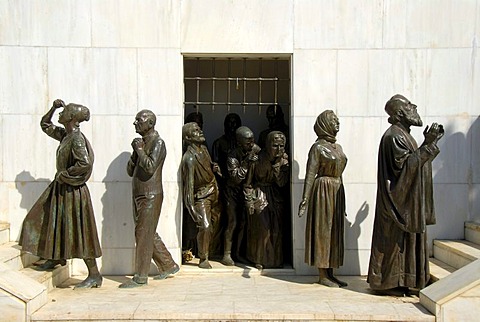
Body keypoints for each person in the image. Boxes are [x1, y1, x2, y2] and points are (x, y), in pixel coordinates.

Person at [19, 99, 102, 289]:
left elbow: (85, 164)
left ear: (71, 117)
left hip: (73, 191)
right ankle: (56, 256)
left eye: (64, 112)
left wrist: (65, 174)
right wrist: (53, 107)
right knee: (51, 222)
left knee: (81, 231)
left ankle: (94, 275)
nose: (60, 114)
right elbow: (45, 125)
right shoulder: (66, 134)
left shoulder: (77, 139)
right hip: (62, 189)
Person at [367, 94, 444, 294]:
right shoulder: (393, 136)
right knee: (394, 245)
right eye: (410, 105)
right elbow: (405, 170)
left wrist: (428, 144)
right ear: (400, 113)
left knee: (405, 244)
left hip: (409, 202)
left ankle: (408, 280)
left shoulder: (404, 134)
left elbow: (415, 164)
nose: (415, 107)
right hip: (397, 206)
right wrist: (427, 146)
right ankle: (388, 282)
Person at [119, 110, 179, 288]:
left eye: (139, 120)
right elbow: (130, 171)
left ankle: (140, 277)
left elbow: (150, 167)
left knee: (143, 234)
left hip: (150, 194)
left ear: (150, 123)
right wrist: (135, 152)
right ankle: (168, 265)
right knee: (146, 232)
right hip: (139, 193)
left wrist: (139, 150)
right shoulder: (142, 143)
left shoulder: (158, 142)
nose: (135, 123)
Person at [298, 110, 348, 287]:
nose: (337, 123)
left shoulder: (338, 148)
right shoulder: (317, 148)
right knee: (323, 231)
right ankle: (322, 275)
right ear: (324, 123)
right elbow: (310, 173)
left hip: (336, 190)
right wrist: (305, 198)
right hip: (323, 191)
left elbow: (341, 174)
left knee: (334, 232)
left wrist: (344, 201)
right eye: (334, 120)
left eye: (338, 120)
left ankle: (331, 272)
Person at [246, 131, 289, 269]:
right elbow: (248, 183)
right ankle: (258, 258)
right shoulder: (257, 159)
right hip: (259, 194)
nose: (279, 149)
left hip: (276, 196)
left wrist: (277, 165)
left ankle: (275, 260)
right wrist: (249, 200)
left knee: (276, 229)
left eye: (282, 146)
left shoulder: (284, 161)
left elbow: (282, 183)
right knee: (263, 228)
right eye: (275, 145)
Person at [182, 122, 221, 269]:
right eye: (196, 131)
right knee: (204, 226)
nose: (200, 132)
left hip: (214, 191)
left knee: (216, 224)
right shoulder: (189, 159)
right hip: (201, 195)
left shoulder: (204, 149)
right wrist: (192, 210)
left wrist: (214, 167)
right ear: (188, 137)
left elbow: (208, 167)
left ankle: (213, 251)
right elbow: (189, 188)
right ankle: (203, 258)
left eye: (199, 129)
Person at [222, 126, 259, 266]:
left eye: (252, 140)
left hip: (247, 191)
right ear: (239, 143)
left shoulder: (256, 149)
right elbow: (236, 177)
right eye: (248, 142)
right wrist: (246, 163)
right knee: (233, 222)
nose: (251, 144)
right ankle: (227, 254)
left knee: (244, 223)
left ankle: (239, 253)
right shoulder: (232, 156)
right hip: (232, 192)